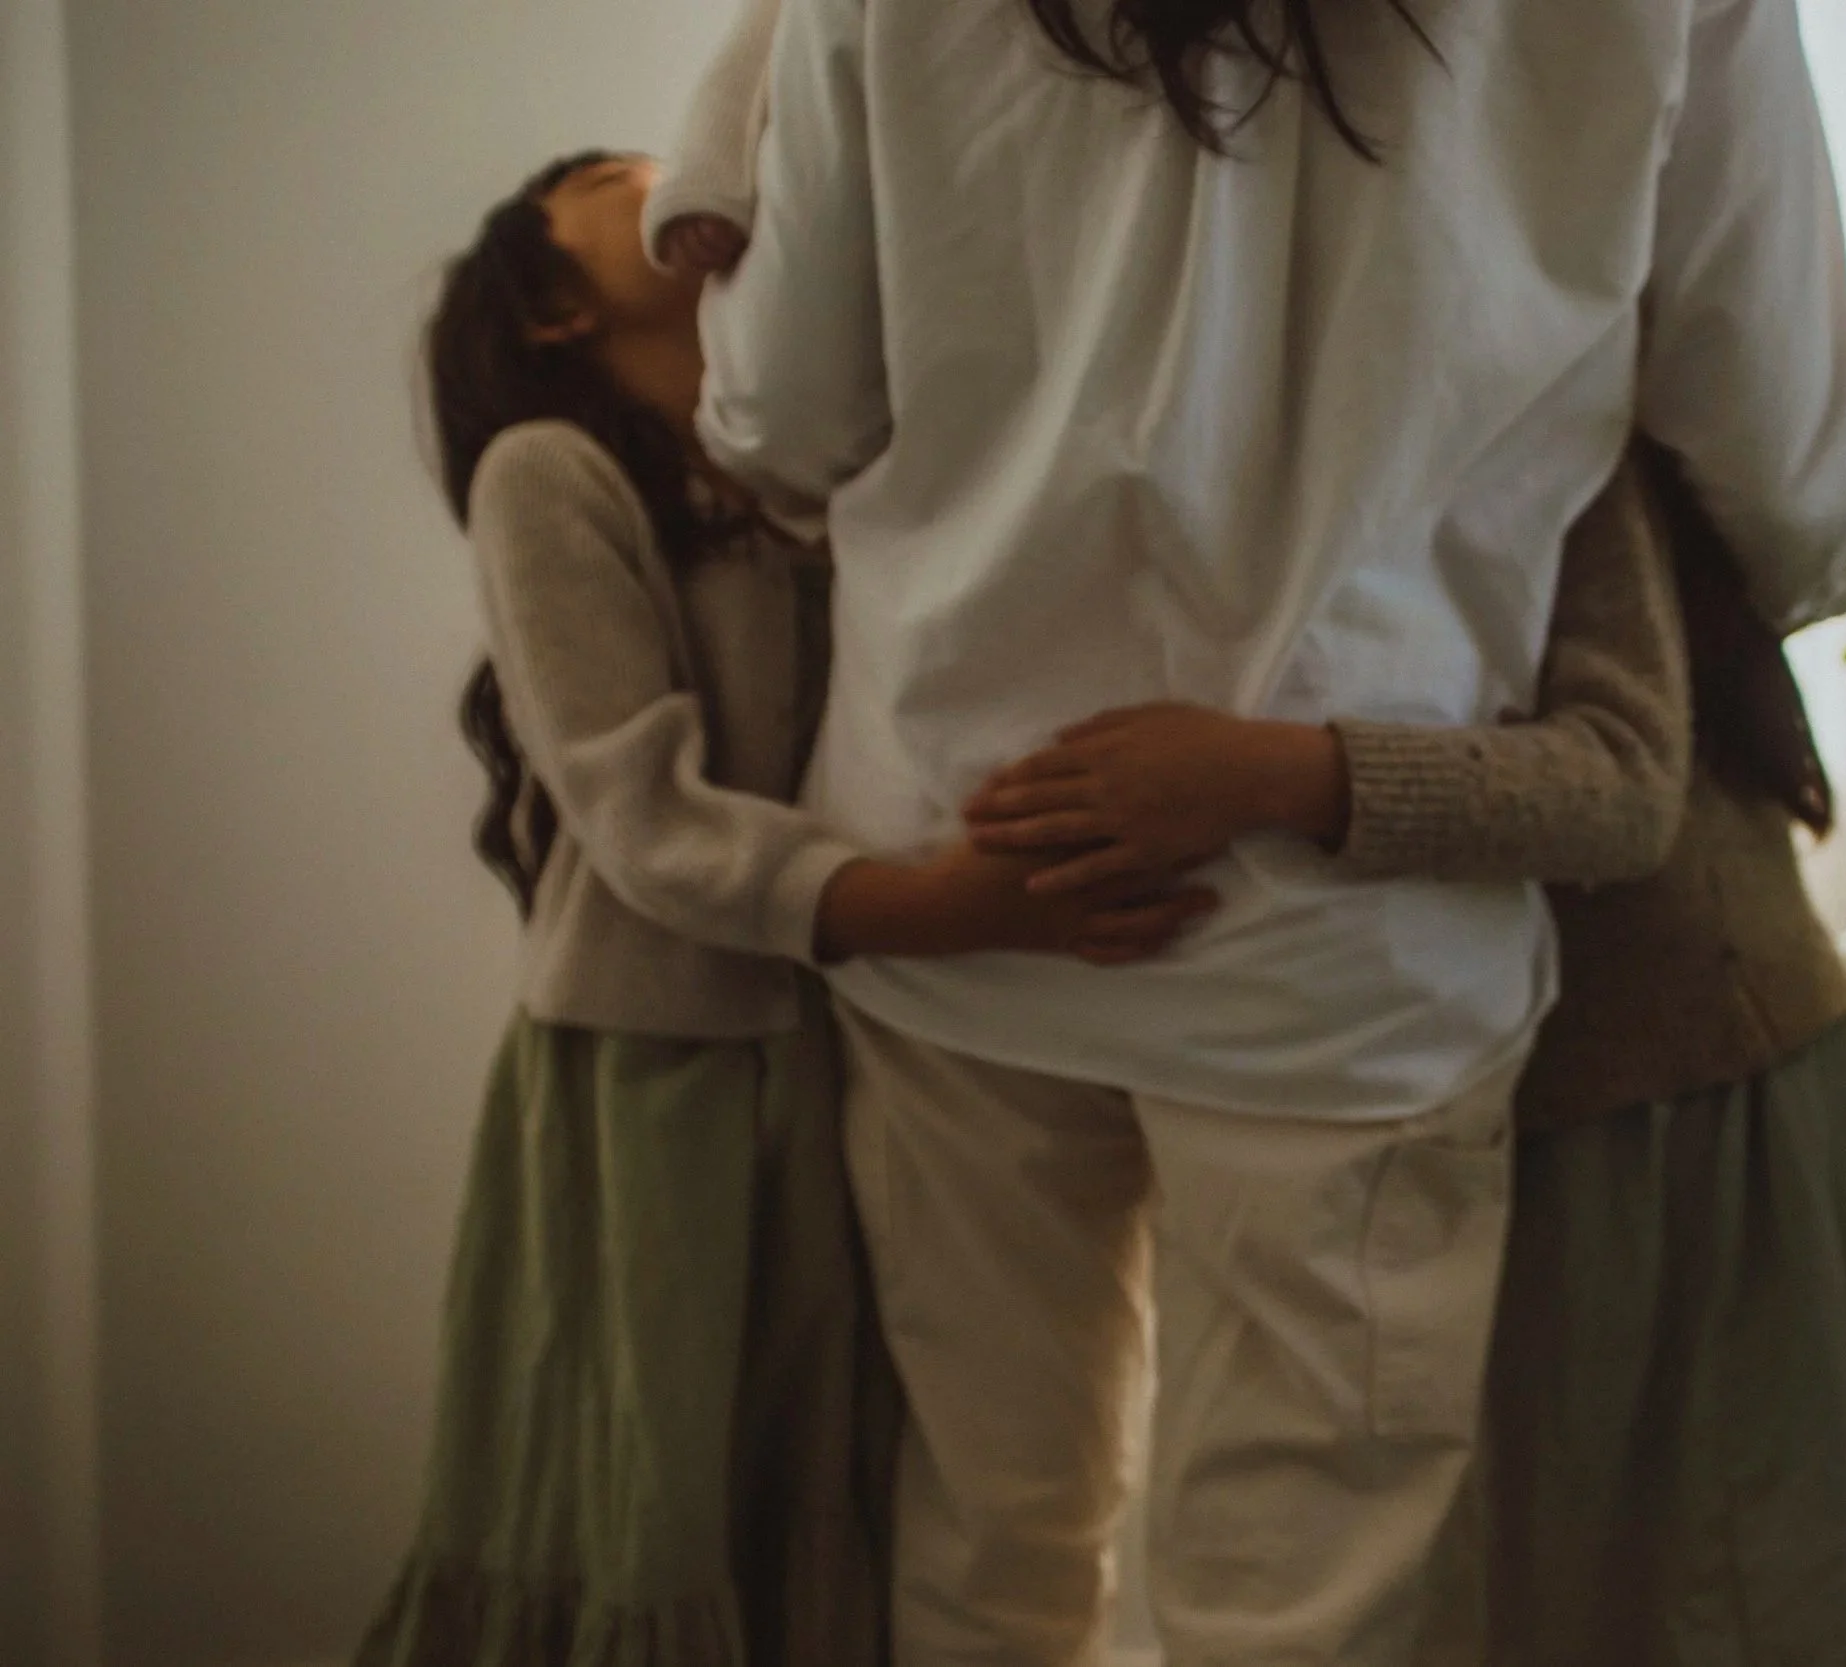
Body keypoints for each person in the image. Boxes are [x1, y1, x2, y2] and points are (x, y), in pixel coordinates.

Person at [684, 0, 1846, 1660]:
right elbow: (1784, 445)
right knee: (1305, 1612)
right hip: (1350, 955)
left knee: (987, 1543)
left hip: (967, 864)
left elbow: (778, 413)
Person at [359, 150, 1212, 1667]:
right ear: (551, 304)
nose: (669, 173)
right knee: (665, 1494)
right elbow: (641, 815)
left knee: (828, 1476)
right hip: (664, 1067)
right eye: (615, 179)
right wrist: (952, 905)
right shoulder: (547, 470)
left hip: (833, 1033)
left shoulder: (803, 463)